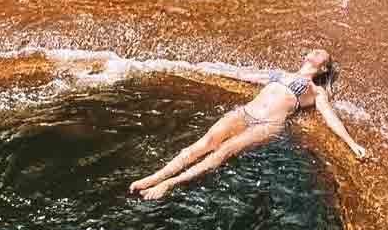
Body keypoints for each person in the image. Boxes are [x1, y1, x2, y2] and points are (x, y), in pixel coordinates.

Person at [128, 48, 365, 200]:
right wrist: (200, 68)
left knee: (223, 151)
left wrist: (351, 143)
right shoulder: (279, 74)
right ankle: (154, 177)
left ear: (323, 68)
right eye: (314, 50)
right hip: (245, 113)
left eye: (321, 54)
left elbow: (329, 116)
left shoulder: (316, 90)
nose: (316, 52)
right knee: (205, 143)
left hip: (268, 124)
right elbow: (244, 75)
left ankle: (169, 184)